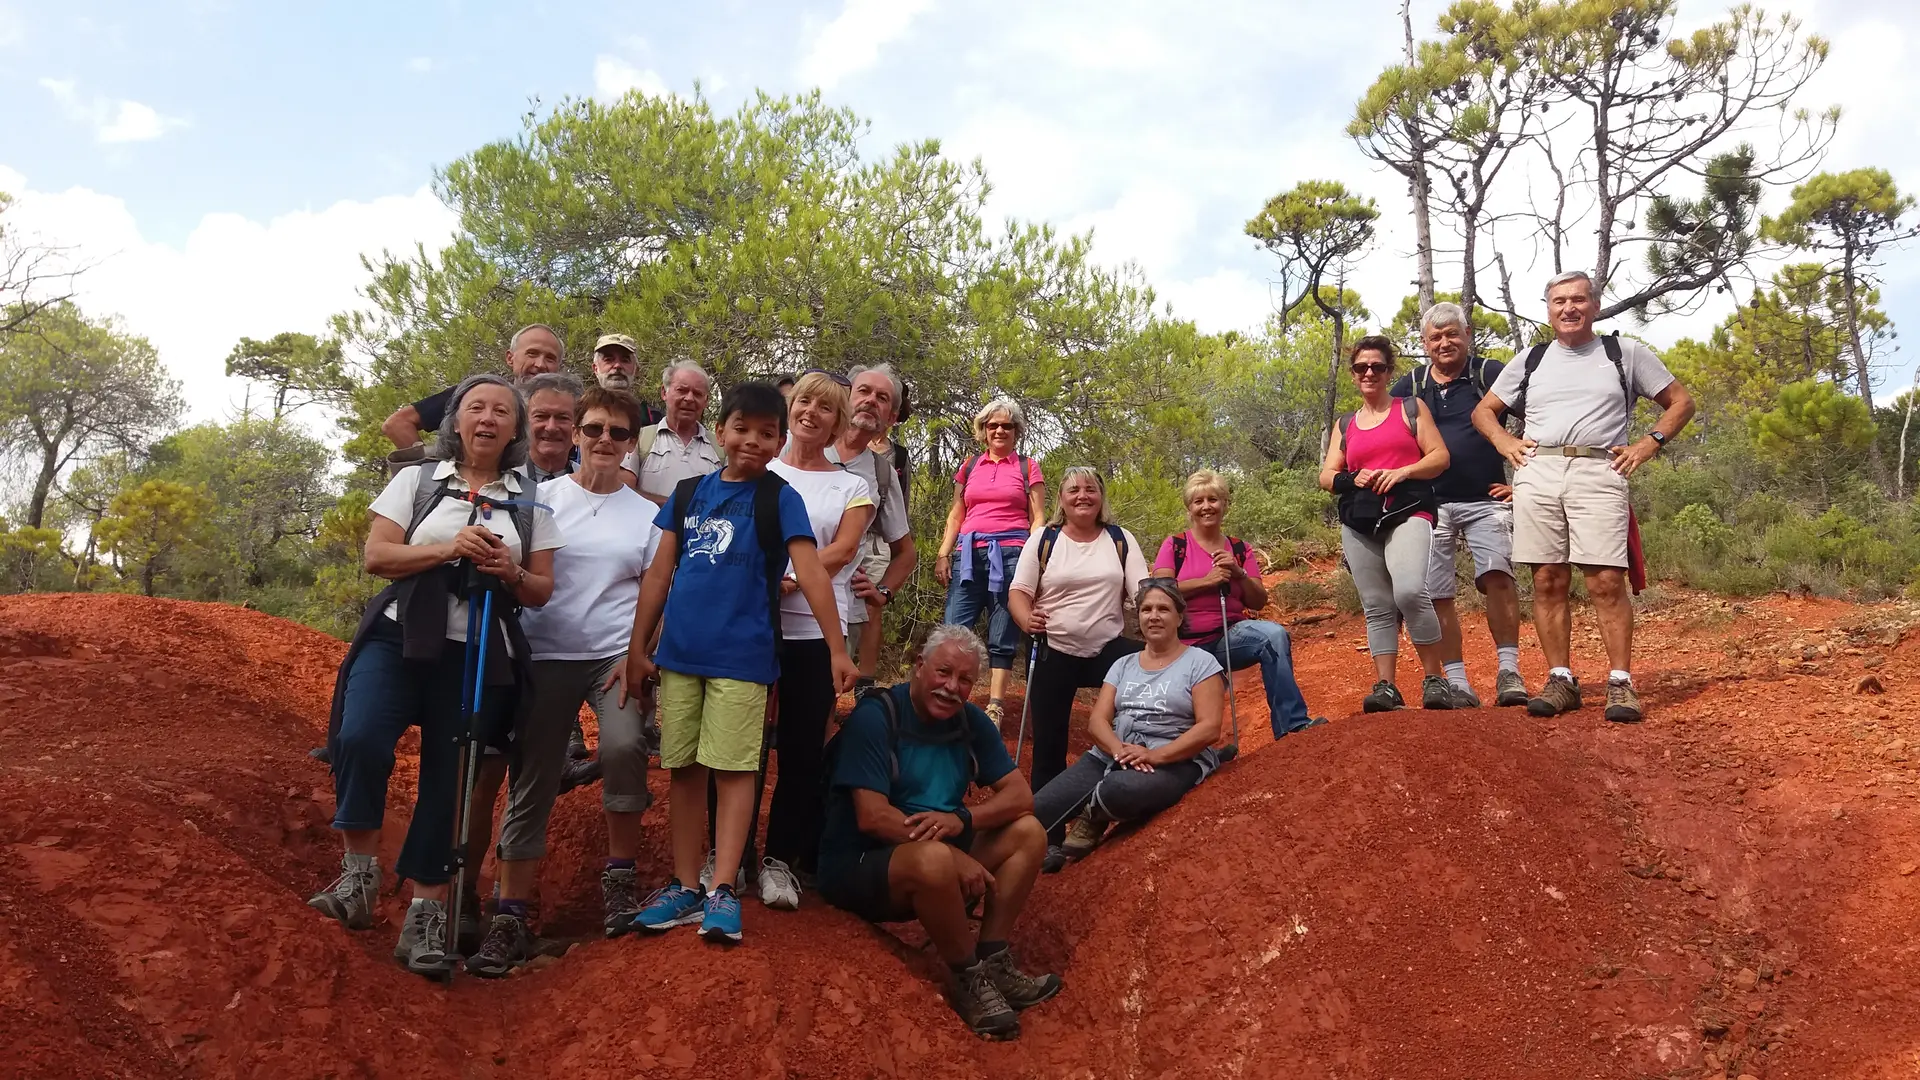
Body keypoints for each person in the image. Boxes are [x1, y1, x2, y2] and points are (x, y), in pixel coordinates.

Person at [309, 374, 561, 978]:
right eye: (476, 407)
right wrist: (449, 549)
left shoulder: (532, 502)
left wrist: (507, 568)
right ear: (456, 419)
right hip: (399, 634)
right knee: (360, 736)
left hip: (476, 649)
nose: (488, 418)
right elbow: (378, 556)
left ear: (515, 429)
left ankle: (426, 916)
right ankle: (358, 876)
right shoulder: (418, 480)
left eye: (502, 411)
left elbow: (543, 590)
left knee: (450, 780)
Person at [622, 380, 856, 945]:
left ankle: (723, 887)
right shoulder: (687, 493)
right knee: (683, 768)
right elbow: (659, 574)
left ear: (778, 441)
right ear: (721, 431)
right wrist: (637, 646)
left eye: (766, 433)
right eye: (742, 429)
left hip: (743, 658)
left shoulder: (780, 499)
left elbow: (816, 573)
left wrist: (837, 647)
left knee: (733, 769)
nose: (752, 441)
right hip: (680, 655)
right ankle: (684, 884)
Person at [461, 388, 662, 976]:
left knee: (625, 744)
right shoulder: (539, 500)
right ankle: (510, 914)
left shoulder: (647, 515)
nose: (605, 441)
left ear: (631, 444)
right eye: (594, 429)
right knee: (532, 777)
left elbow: (653, 592)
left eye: (618, 433)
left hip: (612, 656)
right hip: (542, 655)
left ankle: (620, 879)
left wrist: (640, 654)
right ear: (575, 433)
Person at [817, 625, 1061, 1041]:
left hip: (934, 853)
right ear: (918, 667)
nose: (951, 687)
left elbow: (1021, 796)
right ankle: (968, 977)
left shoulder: (971, 721)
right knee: (933, 859)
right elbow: (873, 817)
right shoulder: (878, 717)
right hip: (860, 864)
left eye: (964, 680)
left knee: (1029, 833)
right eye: (943, 672)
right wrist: (951, 854)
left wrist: (963, 822)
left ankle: (993, 959)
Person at [1471, 271, 1696, 723]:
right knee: (1547, 580)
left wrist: (1648, 443)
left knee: (1606, 581)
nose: (1568, 308)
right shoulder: (1531, 359)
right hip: (1539, 471)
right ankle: (1561, 680)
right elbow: (1484, 411)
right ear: (1548, 308)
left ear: (1594, 305)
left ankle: (1620, 683)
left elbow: (1681, 402)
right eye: (1559, 301)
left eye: (1578, 300)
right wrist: (1505, 444)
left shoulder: (1623, 353)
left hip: (1599, 469)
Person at [759, 370, 875, 910]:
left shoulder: (853, 485)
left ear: (838, 423)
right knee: (743, 745)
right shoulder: (759, 469)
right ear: (790, 407)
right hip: (754, 622)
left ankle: (782, 857)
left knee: (803, 747)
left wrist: (790, 578)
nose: (810, 412)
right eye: (803, 401)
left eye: (825, 408)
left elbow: (846, 549)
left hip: (813, 625)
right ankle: (729, 858)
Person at [1033, 579, 1224, 872]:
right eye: (1146, 609)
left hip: (1171, 758)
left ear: (1179, 617)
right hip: (1113, 752)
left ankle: (1094, 813)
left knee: (1118, 789)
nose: (1154, 616)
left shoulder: (1201, 662)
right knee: (1040, 808)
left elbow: (1209, 727)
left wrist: (1154, 756)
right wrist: (1118, 750)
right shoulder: (1124, 664)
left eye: (1163, 608)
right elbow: (1098, 720)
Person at [1392, 303, 1529, 708]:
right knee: (1437, 593)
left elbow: (1539, 419)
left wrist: (1525, 483)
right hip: (1429, 505)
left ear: (1467, 335)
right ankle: (1457, 682)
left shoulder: (1490, 374)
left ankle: (1509, 673)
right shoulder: (1411, 386)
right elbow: (1386, 432)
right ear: (1424, 343)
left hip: (1487, 498)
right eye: (1435, 337)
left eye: (1452, 333)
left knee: (1498, 578)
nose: (1444, 342)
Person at [1318, 335, 1457, 713]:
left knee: (1410, 591)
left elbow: (1440, 457)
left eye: (1377, 367)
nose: (1369, 373)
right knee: (1377, 603)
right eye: (1362, 367)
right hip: (1361, 520)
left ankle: (1435, 679)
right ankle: (1386, 685)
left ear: (1388, 371)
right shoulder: (1346, 423)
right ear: (1353, 375)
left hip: (1409, 509)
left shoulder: (1410, 409)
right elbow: (1328, 475)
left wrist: (1403, 472)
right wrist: (1352, 478)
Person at [1007, 468, 1147, 803]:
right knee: (1049, 743)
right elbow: (1018, 593)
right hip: (1052, 649)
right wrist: (1027, 620)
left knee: (1150, 677)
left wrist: (1157, 614)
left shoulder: (1120, 538)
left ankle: (1130, 788)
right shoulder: (1043, 539)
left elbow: (1143, 590)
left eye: (1090, 489)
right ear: (1061, 499)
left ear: (1101, 497)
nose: (1082, 496)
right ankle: (1045, 830)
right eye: (1074, 490)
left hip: (1108, 650)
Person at [1152, 469, 1323, 737]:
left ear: (1224, 505)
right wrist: (1208, 581)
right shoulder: (1175, 546)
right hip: (1185, 642)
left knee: (1273, 636)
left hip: (1229, 637)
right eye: (1199, 502)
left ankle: (1292, 726)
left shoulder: (1240, 549)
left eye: (1213, 499)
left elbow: (1258, 601)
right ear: (1189, 508)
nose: (1207, 507)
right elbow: (1160, 592)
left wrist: (1239, 573)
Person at [935, 398, 1046, 725]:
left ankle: (995, 706)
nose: (999, 430)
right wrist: (943, 553)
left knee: (1003, 631)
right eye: (993, 425)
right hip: (967, 555)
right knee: (954, 629)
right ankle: (947, 697)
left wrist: (1032, 558)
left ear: (1017, 432)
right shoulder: (969, 466)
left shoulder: (1027, 467)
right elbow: (957, 514)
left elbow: (1037, 516)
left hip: (1012, 555)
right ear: (983, 431)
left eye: (1007, 426)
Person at [832, 364, 918, 696]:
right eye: (864, 391)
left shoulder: (882, 473)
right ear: (846, 397)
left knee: (821, 702)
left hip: (841, 607)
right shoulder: (800, 447)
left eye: (882, 398)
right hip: (781, 596)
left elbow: (906, 552)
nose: (870, 401)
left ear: (892, 417)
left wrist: (882, 592)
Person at [381, 324, 564, 453]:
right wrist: (429, 472)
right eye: (532, 354)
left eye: (550, 358)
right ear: (510, 358)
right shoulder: (473, 395)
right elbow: (397, 424)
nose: (540, 364)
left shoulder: (570, 410)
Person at [621, 359, 721, 504]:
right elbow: (624, 491)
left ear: (706, 401)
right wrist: (676, 508)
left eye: (698, 394)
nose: (689, 398)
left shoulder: (720, 448)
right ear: (664, 392)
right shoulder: (640, 439)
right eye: (682, 390)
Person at [590, 333, 666, 426]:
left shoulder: (653, 418)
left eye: (625, 360)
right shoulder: (580, 412)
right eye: (609, 359)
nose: (617, 365)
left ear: (636, 369)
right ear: (595, 369)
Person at [522, 372, 582, 485]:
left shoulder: (591, 485)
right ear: (524, 421)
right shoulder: (500, 482)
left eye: (562, 417)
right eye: (541, 416)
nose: (551, 427)